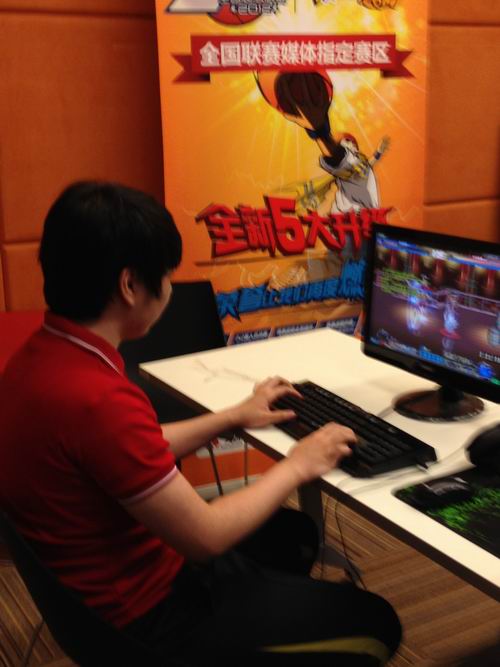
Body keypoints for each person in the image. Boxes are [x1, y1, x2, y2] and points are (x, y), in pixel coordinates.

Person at [0, 181, 401, 666]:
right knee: (379, 624)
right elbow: (205, 536)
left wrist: (230, 417)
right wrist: (298, 464)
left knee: (291, 534)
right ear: (130, 286)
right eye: (166, 275)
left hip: (97, 594)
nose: (170, 288)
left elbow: (130, 449)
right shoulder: (98, 399)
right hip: (153, 618)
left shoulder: (34, 363)